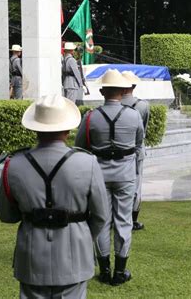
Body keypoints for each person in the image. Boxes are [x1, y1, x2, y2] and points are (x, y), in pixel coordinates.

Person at [0, 94, 109, 298]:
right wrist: (81, 236)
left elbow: (6, 215)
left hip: (31, 257)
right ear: (68, 129)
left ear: (35, 128)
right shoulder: (88, 163)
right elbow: (101, 215)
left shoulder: (13, 164)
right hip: (75, 257)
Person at [75, 69, 145, 286]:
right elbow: (138, 143)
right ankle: (120, 271)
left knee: (101, 221)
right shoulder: (134, 115)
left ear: (103, 91)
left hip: (98, 175)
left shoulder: (90, 117)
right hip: (125, 175)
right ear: (123, 91)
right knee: (123, 220)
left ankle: (104, 269)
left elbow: (80, 147)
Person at [121, 71, 150, 231]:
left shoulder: (112, 105)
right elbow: (143, 131)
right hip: (135, 150)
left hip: (116, 150)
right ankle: (132, 219)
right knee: (136, 184)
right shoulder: (143, 105)